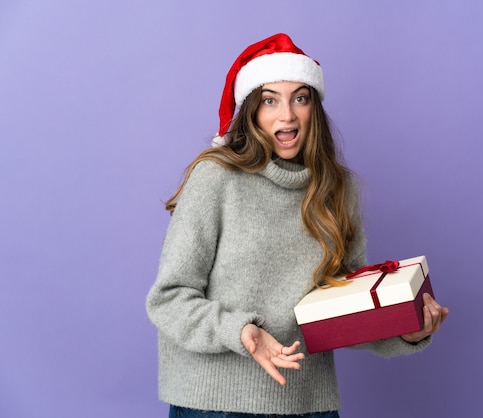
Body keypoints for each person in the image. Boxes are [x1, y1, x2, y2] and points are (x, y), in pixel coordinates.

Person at [146, 33, 449, 418]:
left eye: (299, 98)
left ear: (314, 108)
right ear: (252, 110)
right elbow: (168, 298)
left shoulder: (340, 189)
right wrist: (240, 331)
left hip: (308, 406)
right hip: (215, 405)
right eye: (270, 100)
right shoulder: (216, 178)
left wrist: (408, 331)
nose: (287, 115)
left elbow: (346, 314)